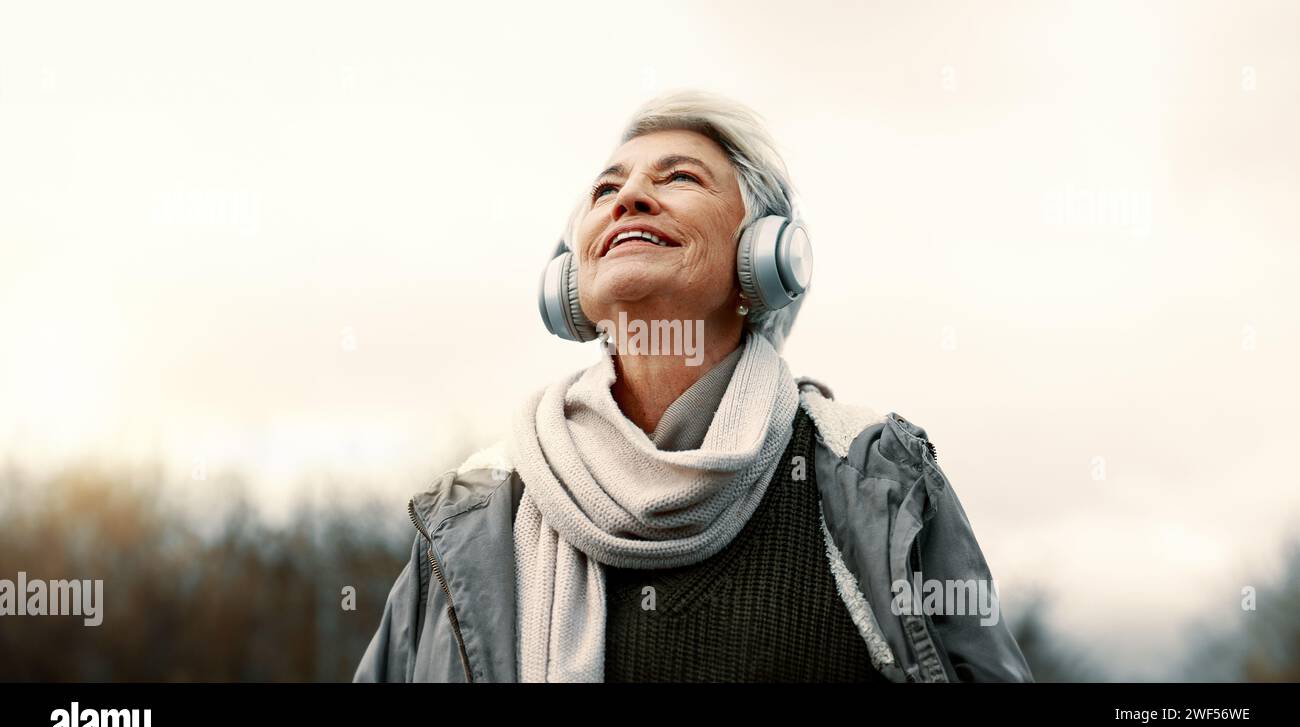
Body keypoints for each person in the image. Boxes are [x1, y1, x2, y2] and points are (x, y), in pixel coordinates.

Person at [354, 90, 1033, 683]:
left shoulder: (876, 476)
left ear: (764, 255)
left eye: (680, 177)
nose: (629, 198)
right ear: (570, 281)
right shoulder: (470, 518)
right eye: (604, 191)